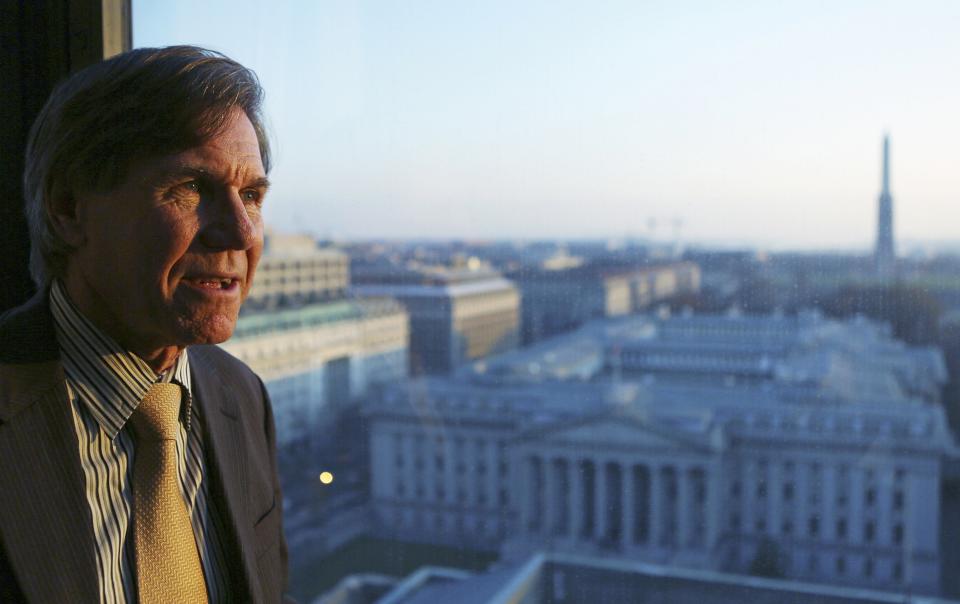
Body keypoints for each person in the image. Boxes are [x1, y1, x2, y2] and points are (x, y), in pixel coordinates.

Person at [0, 46, 289, 603]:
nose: (240, 233)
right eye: (191, 189)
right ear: (69, 209)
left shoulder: (241, 395)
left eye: (251, 195)